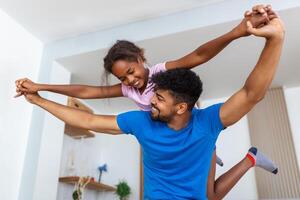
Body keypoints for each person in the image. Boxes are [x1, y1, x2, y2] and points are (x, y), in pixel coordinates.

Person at [16, 6, 284, 199]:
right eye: (124, 77)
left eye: (158, 96)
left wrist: (252, 34)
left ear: (141, 60)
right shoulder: (140, 117)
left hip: (198, 131)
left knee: (204, 147)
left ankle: (215, 151)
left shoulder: (162, 77)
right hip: (179, 139)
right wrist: (39, 94)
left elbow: (210, 62)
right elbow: (87, 108)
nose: (133, 83)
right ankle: (249, 158)